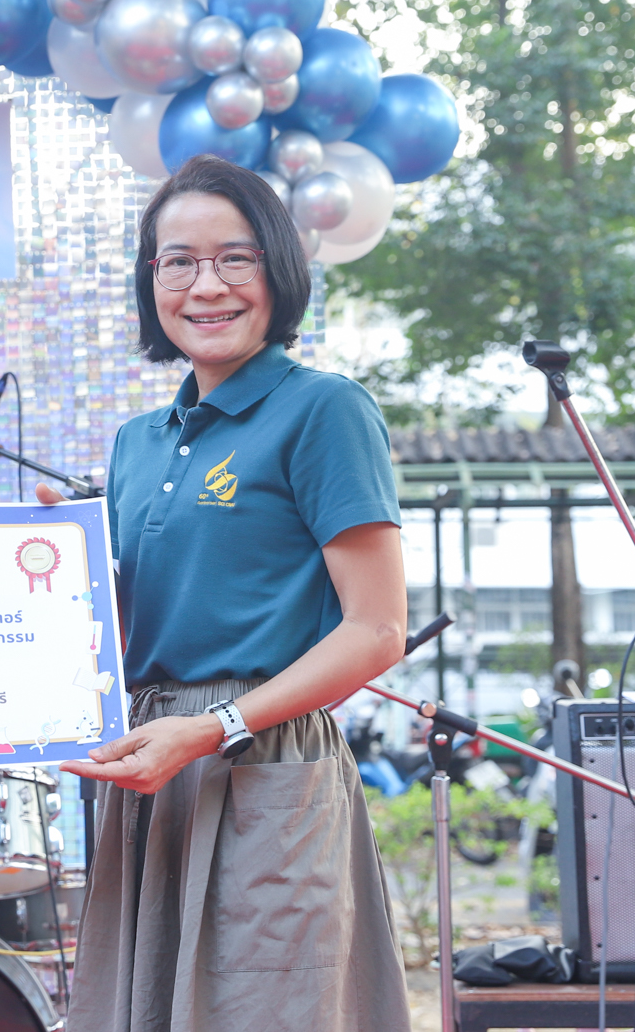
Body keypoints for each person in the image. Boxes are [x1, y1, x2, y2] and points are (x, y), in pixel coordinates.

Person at [41, 153, 412, 1031]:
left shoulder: (326, 410)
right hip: (153, 760)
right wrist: (51, 575)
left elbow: (377, 629)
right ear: (151, 281)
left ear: (278, 270)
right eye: (178, 261)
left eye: (234, 258)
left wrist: (214, 728)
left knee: (267, 1009)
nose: (206, 285)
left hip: (265, 760)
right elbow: (129, 625)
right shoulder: (136, 442)